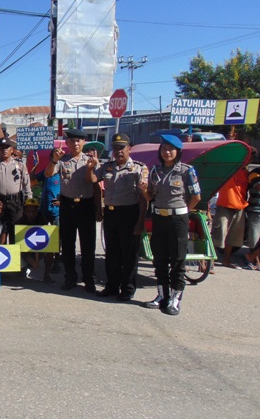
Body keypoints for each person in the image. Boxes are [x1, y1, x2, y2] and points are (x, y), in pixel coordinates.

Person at [141, 134, 201, 316]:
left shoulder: (186, 171)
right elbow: (150, 196)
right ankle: (161, 295)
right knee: (159, 259)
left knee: (177, 259)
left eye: (171, 149)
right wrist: (144, 190)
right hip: (159, 218)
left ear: (178, 151)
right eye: (164, 149)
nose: (167, 152)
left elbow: (196, 197)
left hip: (178, 219)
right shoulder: (155, 171)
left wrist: (183, 211)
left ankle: (175, 298)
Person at [87, 133, 148, 301]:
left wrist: (141, 220)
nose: (118, 151)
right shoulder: (108, 167)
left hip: (130, 213)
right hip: (111, 213)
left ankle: (127, 289)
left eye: (122, 148)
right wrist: (91, 167)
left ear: (129, 149)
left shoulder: (138, 168)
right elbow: (93, 179)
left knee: (129, 254)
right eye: (115, 148)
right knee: (112, 253)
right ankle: (112, 286)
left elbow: (144, 198)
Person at [44, 128, 98, 292]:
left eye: (79, 140)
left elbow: (95, 183)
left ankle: (88, 279)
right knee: (68, 244)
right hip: (67, 205)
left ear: (83, 143)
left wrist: (98, 208)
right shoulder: (62, 160)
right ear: (67, 143)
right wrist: (54, 160)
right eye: (72, 141)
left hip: (86, 205)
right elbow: (48, 174)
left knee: (88, 245)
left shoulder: (91, 160)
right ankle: (70, 278)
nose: (75, 143)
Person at [0, 137, 31, 240]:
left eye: (7, 148)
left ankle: (15, 253)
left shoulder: (19, 164)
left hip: (15, 201)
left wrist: (28, 200)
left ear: (12, 150)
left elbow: (26, 184)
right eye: (2, 148)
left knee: (15, 229)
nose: (4, 150)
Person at [211, 161, 249, 268]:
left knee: (233, 236)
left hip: (240, 206)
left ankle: (226, 260)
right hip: (225, 204)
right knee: (219, 233)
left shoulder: (246, 173)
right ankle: (210, 261)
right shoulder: (230, 169)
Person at [16, 197, 54, 281]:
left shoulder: (43, 220)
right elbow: (18, 245)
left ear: (37, 211)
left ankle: (47, 275)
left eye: (34, 212)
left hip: (39, 246)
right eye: (28, 211)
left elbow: (48, 239)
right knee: (18, 250)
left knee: (51, 250)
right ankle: (23, 268)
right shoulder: (19, 223)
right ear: (24, 211)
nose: (31, 214)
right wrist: (29, 259)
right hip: (25, 249)